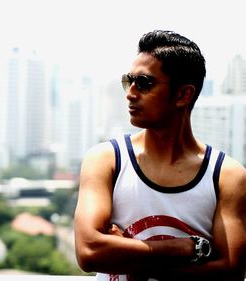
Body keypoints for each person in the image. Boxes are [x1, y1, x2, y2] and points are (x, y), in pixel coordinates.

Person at [74, 30, 246, 281]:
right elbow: (89, 251)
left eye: (144, 83)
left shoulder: (225, 175)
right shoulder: (107, 159)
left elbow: (230, 272)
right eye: (128, 81)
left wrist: (128, 255)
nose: (130, 93)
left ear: (183, 95)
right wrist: (187, 248)